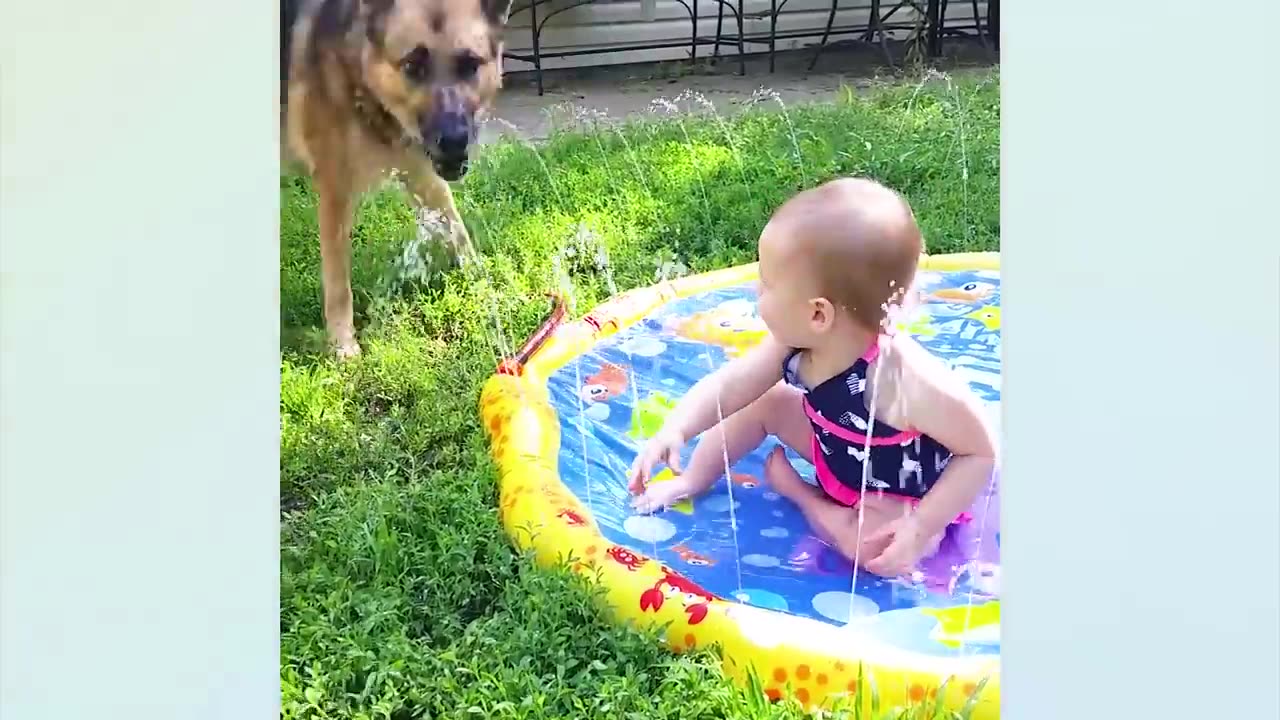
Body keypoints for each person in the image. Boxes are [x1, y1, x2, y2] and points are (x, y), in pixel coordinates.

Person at [626, 177, 998, 578]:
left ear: (818, 314)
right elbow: (728, 386)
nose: (755, 290)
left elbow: (981, 451)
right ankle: (695, 477)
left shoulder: (901, 379)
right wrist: (676, 429)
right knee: (759, 401)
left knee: (877, 552)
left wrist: (923, 523)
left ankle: (803, 496)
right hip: (835, 451)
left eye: (766, 284)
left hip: (899, 492)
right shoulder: (789, 346)